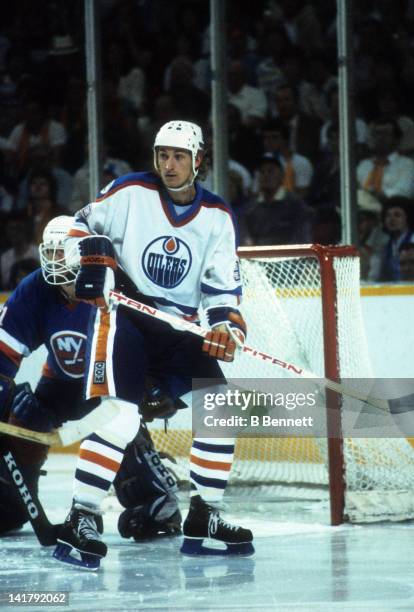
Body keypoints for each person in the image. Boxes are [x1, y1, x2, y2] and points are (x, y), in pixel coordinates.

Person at [57, 120, 253, 568]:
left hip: (177, 329)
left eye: (180, 156)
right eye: (163, 154)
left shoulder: (217, 216)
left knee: (219, 405)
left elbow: (222, 291)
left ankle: (204, 515)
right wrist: (96, 260)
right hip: (125, 319)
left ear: (199, 160)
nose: (169, 164)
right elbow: (77, 228)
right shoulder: (129, 192)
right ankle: (81, 516)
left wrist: (227, 329)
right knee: (120, 418)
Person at [0, 216, 181, 542]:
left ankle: (152, 497)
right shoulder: (35, 289)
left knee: (118, 424)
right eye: (50, 253)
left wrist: (159, 387)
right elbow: (3, 356)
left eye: (61, 254)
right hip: (59, 385)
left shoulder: (117, 286)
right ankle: (9, 500)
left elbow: (159, 340)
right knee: (23, 414)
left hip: (111, 387)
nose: (54, 263)